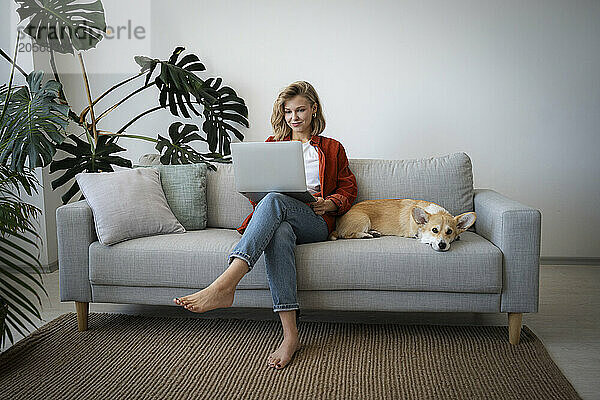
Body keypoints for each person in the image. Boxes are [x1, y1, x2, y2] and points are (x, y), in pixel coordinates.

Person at [173, 81, 357, 370]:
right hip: (281, 217)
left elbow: (348, 190)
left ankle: (226, 283)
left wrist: (329, 203)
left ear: (313, 110)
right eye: (288, 112)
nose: (294, 117)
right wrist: (252, 189)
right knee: (278, 227)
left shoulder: (332, 148)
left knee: (274, 201)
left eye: (300, 110)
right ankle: (290, 336)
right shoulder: (272, 145)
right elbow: (257, 192)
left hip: (315, 220)